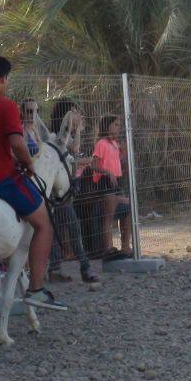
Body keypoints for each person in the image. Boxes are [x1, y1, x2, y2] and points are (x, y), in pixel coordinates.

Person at [0, 56, 66, 311]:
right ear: (3, 78)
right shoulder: (5, 106)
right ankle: (36, 289)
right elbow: (17, 144)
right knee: (43, 224)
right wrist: (28, 164)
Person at [45, 98, 101, 285]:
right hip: (57, 192)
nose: (80, 116)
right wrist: (75, 130)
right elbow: (74, 150)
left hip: (64, 190)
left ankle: (56, 269)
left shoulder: (63, 134)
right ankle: (84, 268)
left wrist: (76, 130)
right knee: (71, 227)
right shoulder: (56, 136)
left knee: (60, 230)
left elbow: (74, 153)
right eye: (75, 112)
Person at [93, 113, 133, 260]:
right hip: (105, 182)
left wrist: (122, 152)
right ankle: (108, 249)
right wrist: (107, 173)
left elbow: (116, 162)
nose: (119, 127)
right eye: (116, 124)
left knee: (128, 208)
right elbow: (94, 165)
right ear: (107, 126)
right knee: (109, 217)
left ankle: (125, 246)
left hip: (116, 182)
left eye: (119, 125)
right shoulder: (101, 143)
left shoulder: (115, 143)